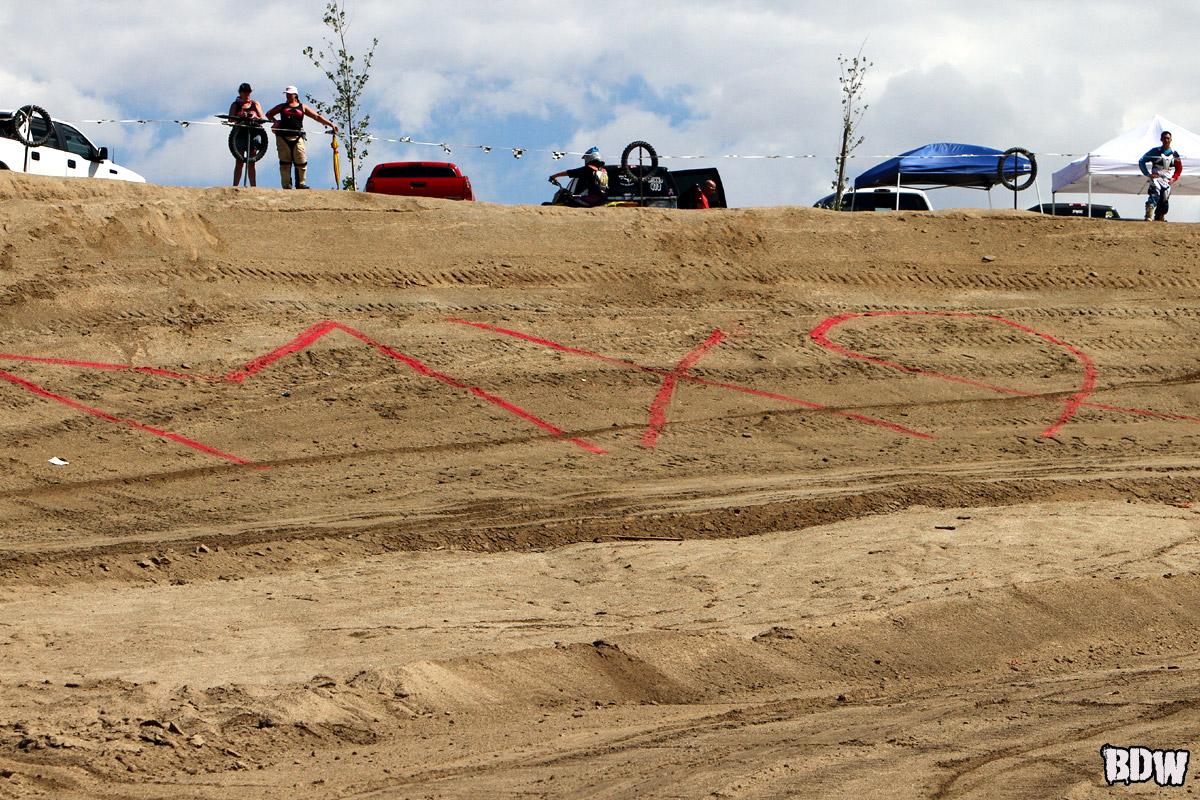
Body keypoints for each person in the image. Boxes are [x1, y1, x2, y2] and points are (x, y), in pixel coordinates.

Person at [265, 86, 338, 189]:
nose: (288, 95)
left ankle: (301, 184)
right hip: (282, 137)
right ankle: (286, 185)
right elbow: (269, 114)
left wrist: (331, 124)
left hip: (298, 136)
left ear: (295, 95)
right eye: (287, 94)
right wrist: (275, 121)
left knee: (301, 160)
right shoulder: (282, 106)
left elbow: (316, 116)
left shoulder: (302, 106)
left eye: (290, 94)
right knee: (285, 162)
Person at [1139, 130, 1182, 221]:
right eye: (1164, 138)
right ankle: (1148, 215)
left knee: (1165, 198)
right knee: (1155, 194)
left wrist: (1174, 178)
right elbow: (1142, 161)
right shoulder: (1155, 151)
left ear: (1171, 140)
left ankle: (1160, 216)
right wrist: (1148, 174)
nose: (1166, 140)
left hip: (1167, 180)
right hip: (1156, 178)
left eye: (1168, 138)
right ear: (1161, 139)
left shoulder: (1175, 154)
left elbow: (1179, 168)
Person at [228, 83, 265, 187]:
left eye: (249, 91)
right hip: (239, 134)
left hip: (253, 134)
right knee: (239, 161)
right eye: (245, 92)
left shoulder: (255, 104)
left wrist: (254, 117)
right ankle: (235, 186)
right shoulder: (235, 105)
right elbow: (230, 119)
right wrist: (241, 117)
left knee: (252, 161)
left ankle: (253, 186)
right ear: (240, 92)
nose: (247, 94)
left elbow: (262, 118)